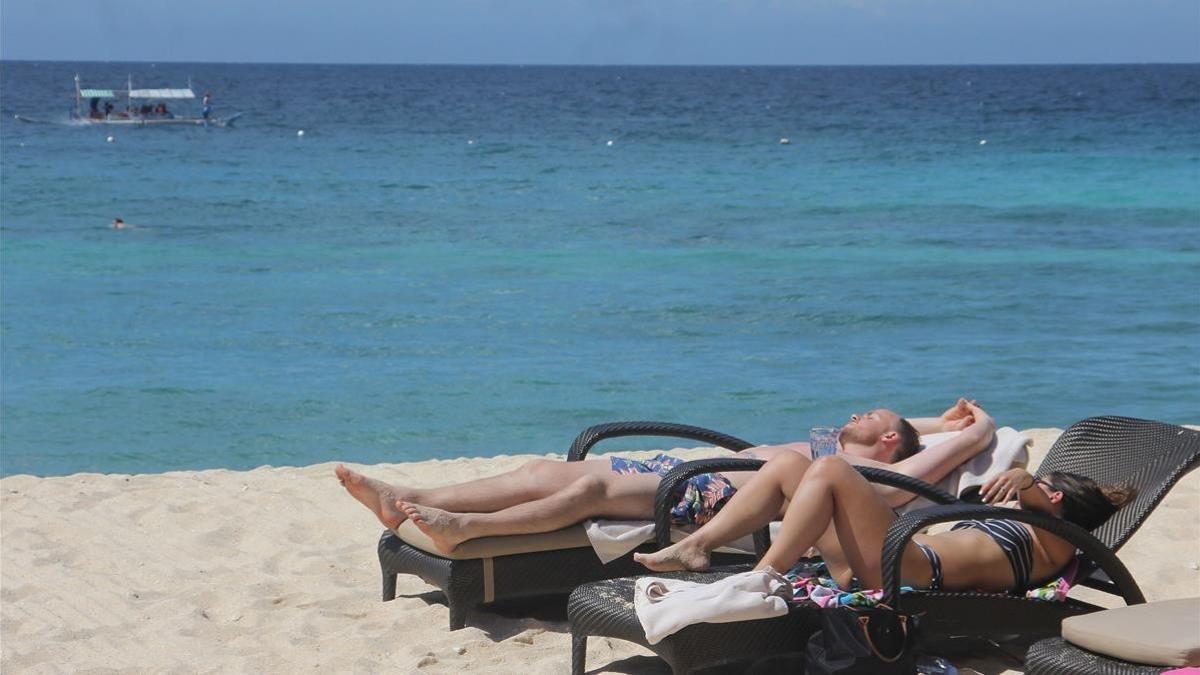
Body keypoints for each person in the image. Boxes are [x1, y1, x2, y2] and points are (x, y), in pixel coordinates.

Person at [338, 399, 995, 554]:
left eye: (872, 414)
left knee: (587, 490)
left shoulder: (877, 471)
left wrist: (971, 430)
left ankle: (462, 529)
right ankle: (412, 496)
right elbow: (912, 426)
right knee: (547, 468)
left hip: (716, 492)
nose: (857, 409)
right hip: (696, 469)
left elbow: (941, 450)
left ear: (887, 440)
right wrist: (935, 416)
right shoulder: (833, 443)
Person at [634, 457, 1134, 595]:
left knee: (831, 469)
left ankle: (764, 574)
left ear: (1054, 497)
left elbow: (1034, 502)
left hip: (909, 571)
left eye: (1039, 487)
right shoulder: (1025, 524)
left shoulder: (1057, 546)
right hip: (890, 556)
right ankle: (698, 546)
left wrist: (1025, 481)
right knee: (790, 464)